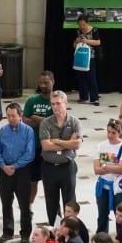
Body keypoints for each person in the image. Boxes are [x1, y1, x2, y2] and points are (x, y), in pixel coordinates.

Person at [0, 102, 36, 243]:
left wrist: (15, 166)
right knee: (6, 202)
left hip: (22, 171)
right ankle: (7, 231)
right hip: (4, 171)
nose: (10, 119)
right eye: (8, 116)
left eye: (13, 116)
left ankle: (25, 233)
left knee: (24, 204)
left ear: (20, 115)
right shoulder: (3, 131)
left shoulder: (28, 131)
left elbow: (30, 153)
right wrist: (3, 165)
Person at [39, 90, 81, 226]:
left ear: (65, 103)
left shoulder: (74, 122)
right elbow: (45, 146)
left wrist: (57, 141)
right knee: (51, 202)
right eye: (53, 104)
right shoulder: (45, 123)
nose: (55, 107)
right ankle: (56, 230)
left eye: (58, 103)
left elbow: (77, 144)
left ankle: (70, 229)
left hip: (67, 166)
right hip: (49, 166)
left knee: (69, 201)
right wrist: (67, 143)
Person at [94, 119, 122, 235]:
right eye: (108, 132)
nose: (110, 135)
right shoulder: (101, 146)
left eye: (113, 133)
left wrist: (105, 166)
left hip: (120, 187)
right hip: (103, 187)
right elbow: (96, 170)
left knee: (121, 216)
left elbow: (121, 168)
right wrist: (113, 166)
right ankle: (101, 239)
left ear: (120, 133)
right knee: (102, 215)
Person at [24, 71, 56, 207]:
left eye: (46, 82)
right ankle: (28, 208)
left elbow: (56, 124)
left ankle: (54, 211)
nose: (43, 85)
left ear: (53, 82)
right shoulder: (32, 100)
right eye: (41, 82)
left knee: (50, 182)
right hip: (33, 148)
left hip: (49, 149)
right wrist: (45, 122)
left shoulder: (56, 101)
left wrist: (36, 118)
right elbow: (24, 120)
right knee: (32, 181)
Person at [73, 15, 101, 105]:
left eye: (83, 25)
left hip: (90, 57)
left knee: (92, 78)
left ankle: (94, 98)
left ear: (87, 23)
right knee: (81, 78)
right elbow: (74, 46)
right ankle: (83, 97)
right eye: (80, 25)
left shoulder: (94, 30)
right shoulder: (78, 31)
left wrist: (87, 41)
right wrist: (77, 41)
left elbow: (98, 42)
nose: (82, 27)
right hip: (80, 57)